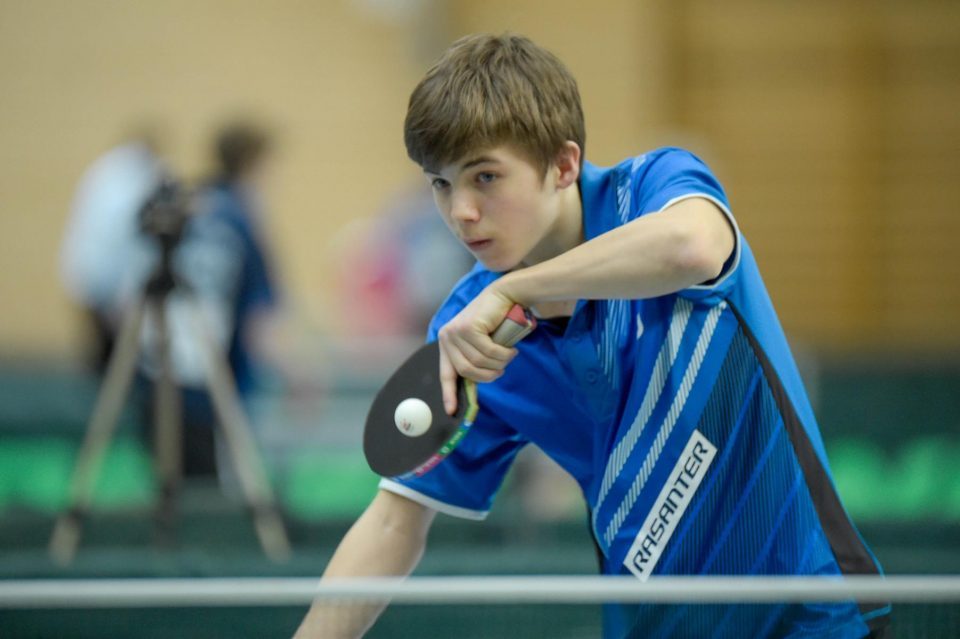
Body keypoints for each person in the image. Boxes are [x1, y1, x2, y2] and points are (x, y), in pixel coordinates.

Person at [295, 34, 890, 638]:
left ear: (563, 164)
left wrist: (515, 288)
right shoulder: (472, 331)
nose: (461, 212)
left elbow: (694, 247)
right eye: (441, 184)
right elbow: (394, 522)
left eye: (485, 176)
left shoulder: (656, 190)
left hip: (812, 621)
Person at [136, 120, 284, 479]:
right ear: (252, 163)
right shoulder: (239, 218)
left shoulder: (188, 204)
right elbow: (261, 311)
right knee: (208, 490)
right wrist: (295, 371)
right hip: (208, 376)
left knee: (170, 477)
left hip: (152, 368)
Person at [60, 128, 164, 373]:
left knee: (119, 354)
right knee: (114, 356)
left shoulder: (105, 174)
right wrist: (117, 295)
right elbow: (117, 237)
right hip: (104, 279)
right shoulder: (120, 180)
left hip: (96, 276)